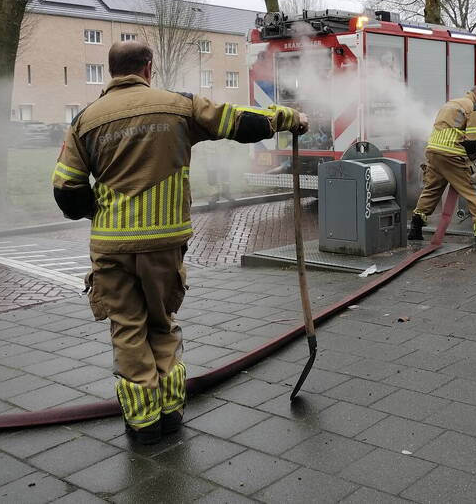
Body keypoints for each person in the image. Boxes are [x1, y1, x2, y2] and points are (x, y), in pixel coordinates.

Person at [52, 41, 308, 445]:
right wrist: (289, 118)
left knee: (127, 327)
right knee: (161, 322)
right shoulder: (179, 106)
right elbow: (238, 121)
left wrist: (100, 212)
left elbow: (66, 189)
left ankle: (142, 423)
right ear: (149, 68)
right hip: (164, 241)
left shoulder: (85, 120)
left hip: (111, 246)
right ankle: (170, 414)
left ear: (111, 71)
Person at [408, 85, 476, 247]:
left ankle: (415, 226)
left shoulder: (450, 103)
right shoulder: (473, 107)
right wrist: (470, 161)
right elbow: (472, 141)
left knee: (432, 189)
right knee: (475, 189)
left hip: (433, 152)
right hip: (452, 154)